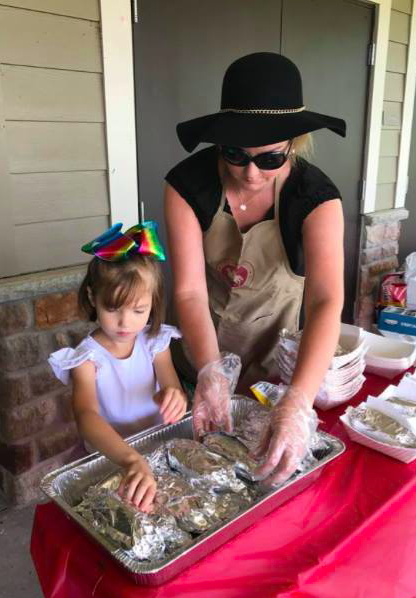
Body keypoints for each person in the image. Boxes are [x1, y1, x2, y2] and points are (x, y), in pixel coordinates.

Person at [164, 52, 345, 485]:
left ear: (294, 144)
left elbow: (325, 302)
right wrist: (209, 370)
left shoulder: (316, 198)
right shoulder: (187, 186)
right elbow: (188, 292)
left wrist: (297, 401)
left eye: (269, 159)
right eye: (234, 155)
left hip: (271, 367)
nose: (249, 173)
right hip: (195, 356)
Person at [48, 222, 187, 512]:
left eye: (139, 311)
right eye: (112, 309)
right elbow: (86, 416)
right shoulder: (86, 358)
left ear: (153, 303)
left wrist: (175, 395)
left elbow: (171, 382)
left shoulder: (153, 342)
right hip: (112, 456)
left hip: (156, 446)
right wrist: (130, 459)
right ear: (92, 299)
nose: (126, 323)